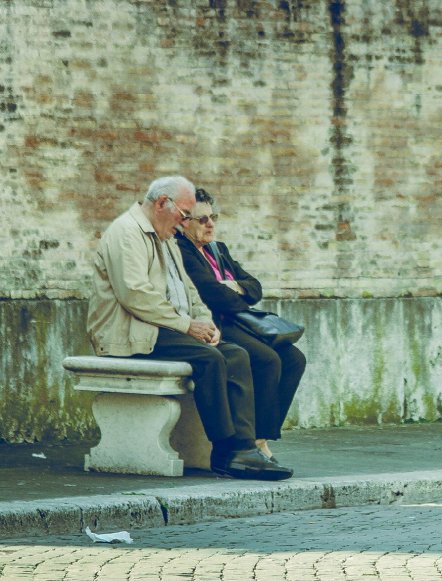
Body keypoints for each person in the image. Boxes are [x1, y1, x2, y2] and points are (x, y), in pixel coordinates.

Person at [86, 176, 292, 480]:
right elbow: (135, 295)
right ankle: (225, 450)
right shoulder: (126, 232)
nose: (184, 224)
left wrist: (205, 322)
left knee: (236, 355)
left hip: (165, 328)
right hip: (132, 332)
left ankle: (244, 448)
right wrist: (187, 325)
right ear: (161, 204)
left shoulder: (166, 237)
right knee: (210, 359)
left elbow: (190, 292)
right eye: (184, 215)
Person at [176, 187, 306, 463]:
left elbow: (255, 288)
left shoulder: (217, 250)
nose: (210, 224)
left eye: (213, 217)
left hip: (240, 321)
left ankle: (263, 435)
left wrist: (234, 286)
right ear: (184, 222)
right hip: (216, 324)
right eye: (202, 219)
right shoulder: (182, 251)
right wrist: (236, 291)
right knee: (267, 359)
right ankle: (254, 443)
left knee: (294, 359)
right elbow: (212, 295)